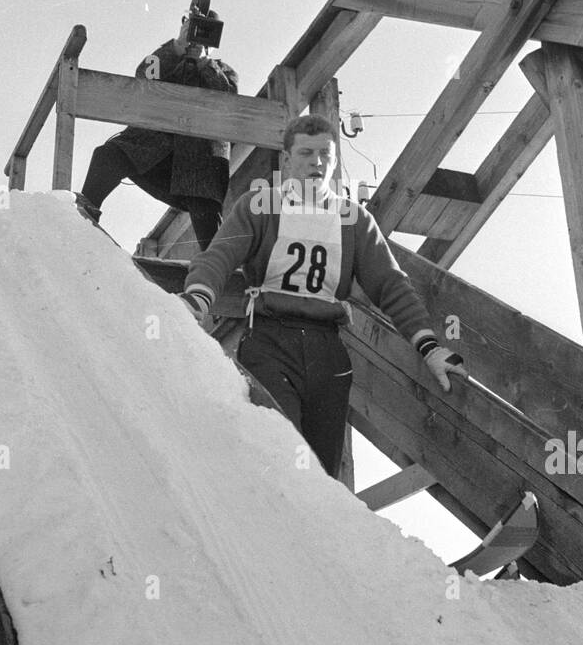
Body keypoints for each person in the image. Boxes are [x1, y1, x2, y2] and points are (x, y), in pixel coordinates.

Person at [179, 113, 466, 479]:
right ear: (286, 159)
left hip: (327, 351)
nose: (317, 162)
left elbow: (390, 284)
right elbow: (219, 255)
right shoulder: (260, 205)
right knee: (281, 455)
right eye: (306, 153)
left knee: (323, 477)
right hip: (270, 340)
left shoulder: (354, 219)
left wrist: (430, 347)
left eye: (325, 155)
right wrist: (197, 299)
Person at [77, 4, 239, 250]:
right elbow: (144, 74)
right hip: (155, 155)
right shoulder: (166, 59)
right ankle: (83, 218)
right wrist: (176, 47)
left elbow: (227, 96)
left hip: (200, 168)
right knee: (108, 155)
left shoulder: (223, 70)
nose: (198, 39)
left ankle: (218, 269)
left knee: (208, 225)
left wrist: (204, 62)